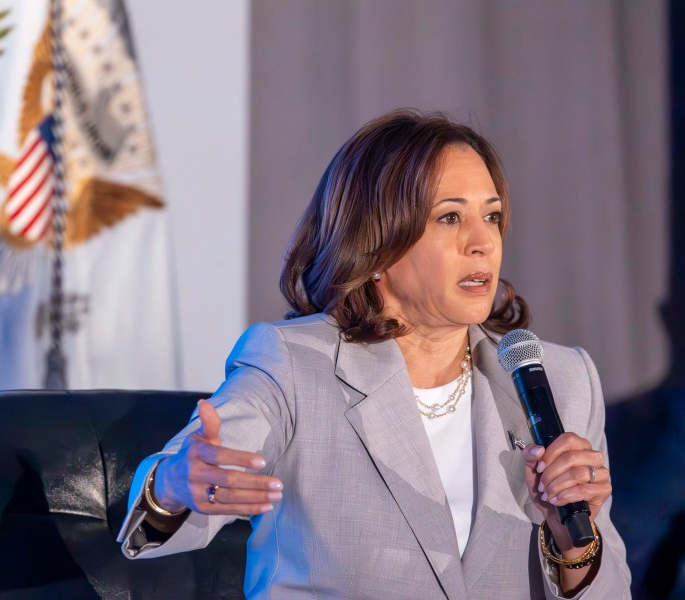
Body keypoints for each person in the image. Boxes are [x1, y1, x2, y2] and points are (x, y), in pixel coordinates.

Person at [117, 109, 631, 598]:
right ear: (379, 245)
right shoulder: (294, 364)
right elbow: (201, 467)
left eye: (492, 216)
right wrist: (175, 486)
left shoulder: (562, 380)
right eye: (450, 217)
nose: (483, 243)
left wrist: (574, 543)